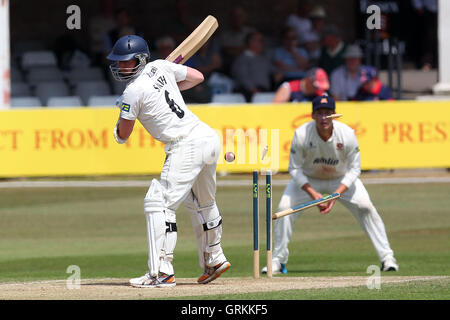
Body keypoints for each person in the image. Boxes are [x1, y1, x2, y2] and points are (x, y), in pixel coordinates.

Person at [107, 35, 231, 288]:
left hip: (184, 144)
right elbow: (197, 77)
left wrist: (122, 115)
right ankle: (215, 258)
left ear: (140, 60)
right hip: (206, 136)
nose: (120, 67)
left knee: (159, 202)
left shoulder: (132, 92)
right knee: (202, 202)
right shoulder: (161, 66)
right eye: (118, 63)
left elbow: (124, 134)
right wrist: (169, 86)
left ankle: (161, 272)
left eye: (126, 62)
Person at [263, 95, 399, 274]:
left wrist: (336, 195)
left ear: (335, 115)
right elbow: (294, 169)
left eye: (328, 113)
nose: (324, 118)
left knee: (366, 206)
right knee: (284, 208)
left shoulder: (347, 134)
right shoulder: (302, 134)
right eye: (319, 113)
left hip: (340, 179)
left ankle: (387, 258)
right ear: (312, 116)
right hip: (309, 180)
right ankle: (277, 261)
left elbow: (355, 169)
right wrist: (313, 194)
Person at [231, 31, 282, 102]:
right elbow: (242, 76)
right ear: (251, 42)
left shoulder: (263, 59)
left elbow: (274, 70)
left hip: (264, 92)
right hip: (248, 94)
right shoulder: (242, 59)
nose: (262, 43)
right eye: (260, 41)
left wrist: (278, 73)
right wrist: (253, 89)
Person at [219, 6, 256, 75]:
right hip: (230, 67)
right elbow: (226, 50)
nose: (237, 19)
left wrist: (236, 49)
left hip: (251, 65)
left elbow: (255, 50)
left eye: (240, 16)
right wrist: (244, 48)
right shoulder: (225, 34)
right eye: (234, 16)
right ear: (230, 18)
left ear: (245, 18)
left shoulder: (251, 32)